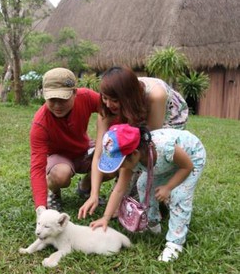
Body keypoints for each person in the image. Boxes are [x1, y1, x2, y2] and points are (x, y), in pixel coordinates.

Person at [79, 66, 189, 218]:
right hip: (132, 109)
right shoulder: (106, 109)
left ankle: (164, 194)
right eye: (105, 98)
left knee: (154, 161)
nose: (109, 104)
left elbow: (148, 147)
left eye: (115, 100)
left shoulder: (155, 96)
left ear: (126, 97)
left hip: (169, 113)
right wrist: (94, 194)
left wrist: (123, 186)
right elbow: (99, 154)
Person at [89, 124, 206, 262]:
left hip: (191, 158)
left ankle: (175, 243)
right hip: (164, 164)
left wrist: (168, 187)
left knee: (178, 195)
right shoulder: (133, 157)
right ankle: (153, 222)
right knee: (143, 184)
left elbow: (187, 166)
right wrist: (105, 218)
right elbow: (119, 189)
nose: (119, 168)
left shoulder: (164, 148)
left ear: (135, 155)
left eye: (119, 163)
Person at [29, 67, 101, 212]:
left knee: (111, 160)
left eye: (62, 99)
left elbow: (111, 109)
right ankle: (54, 193)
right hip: (59, 158)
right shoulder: (40, 123)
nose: (57, 106)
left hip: (84, 150)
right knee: (61, 175)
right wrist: (40, 209)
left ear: (75, 92)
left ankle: (85, 187)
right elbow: (37, 168)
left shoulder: (86, 97)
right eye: (52, 99)